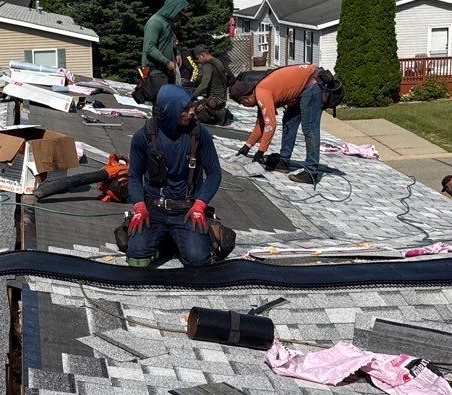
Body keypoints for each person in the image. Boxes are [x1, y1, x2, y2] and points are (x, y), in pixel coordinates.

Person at [126, 84, 222, 267]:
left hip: (188, 211)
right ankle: (166, 240)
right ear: (171, 110)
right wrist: (139, 206)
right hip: (153, 209)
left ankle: (178, 240)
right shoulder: (144, 136)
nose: (192, 112)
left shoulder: (199, 134)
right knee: (136, 259)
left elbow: (214, 173)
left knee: (198, 261)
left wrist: (200, 205)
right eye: (186, 109)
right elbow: (134, 176)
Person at [230, 63, 322, 185]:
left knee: (309, 129)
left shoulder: (261, 92)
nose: (246, 106)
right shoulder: (259, 92)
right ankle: (283, 162)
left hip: (312, 83)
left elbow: (270, 125)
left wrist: (260, 152)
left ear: (246, 98)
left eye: (243, 104)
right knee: (289, 122)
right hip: (301, 90)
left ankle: (311, 172)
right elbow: (261, 123)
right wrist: (247, 146)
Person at [139, 0, 191, 98]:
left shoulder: (168, 24)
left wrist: (177, 52)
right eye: (179, 14)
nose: (180, 18)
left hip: (164, 70)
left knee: (167, 102)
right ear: (173, 9)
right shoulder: (155, 22)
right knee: (161, 102)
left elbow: (170, 41)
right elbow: (149, 48)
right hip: (154, 70)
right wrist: (166, 62)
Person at [189, 44, 231, 125]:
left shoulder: (208, 65)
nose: (198, 61)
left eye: (197, 58)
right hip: (221, 101)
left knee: (189, 111)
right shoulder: (218, 61)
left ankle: (219, 115)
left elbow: (204, 85)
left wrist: (191, 97)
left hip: (213, 101)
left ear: (202, 55)